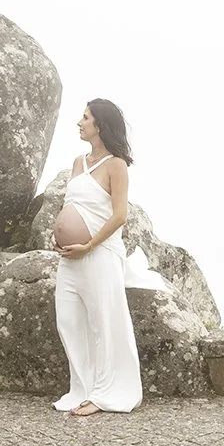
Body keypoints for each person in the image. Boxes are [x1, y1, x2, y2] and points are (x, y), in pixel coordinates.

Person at [51, 98, 167, 417]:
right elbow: (72, 205)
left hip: (99, 254)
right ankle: (83, 388)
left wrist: (88, 245)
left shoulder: (116, 165)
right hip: (69, 258)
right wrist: (58, 234)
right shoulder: (78, 162)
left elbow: (119, 216)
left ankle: (107, 393)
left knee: (104, 323)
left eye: (85, 118)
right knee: (69, 320)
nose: (79, 122)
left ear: (100, 125)